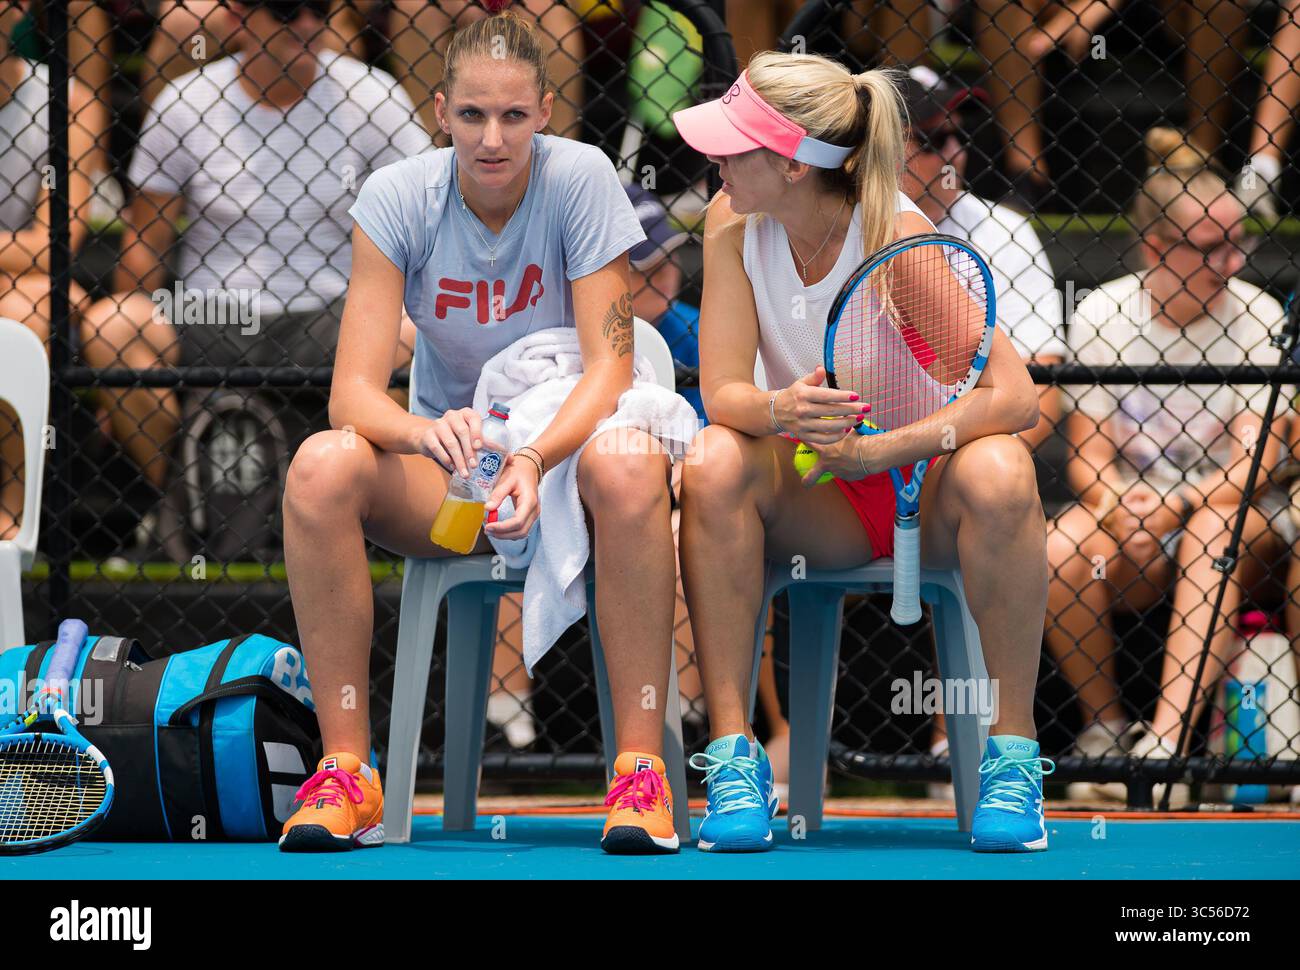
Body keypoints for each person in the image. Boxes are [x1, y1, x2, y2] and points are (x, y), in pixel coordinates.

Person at [278, 10, 685, 856]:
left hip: (569, 450)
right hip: (456, 475)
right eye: (471, 115)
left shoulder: (581, 180)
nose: (492, 138)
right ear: (439, 111)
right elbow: (351, 396)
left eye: (513, 116)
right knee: (321, 468)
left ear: (544, 111)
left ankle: (640, 772)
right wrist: (427, 433)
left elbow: (610, 370)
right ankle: (347, 771)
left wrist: (535, 454)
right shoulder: (395, 197)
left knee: (631, 470)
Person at [672, 52, 1052, 853]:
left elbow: (1014, 400)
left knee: (1005, 468)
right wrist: (781, 408)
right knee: (710, 457)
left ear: (791, 163)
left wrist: (888, 451)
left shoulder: (897, 238)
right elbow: (724, 394)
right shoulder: (729, 220)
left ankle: (1012, 756)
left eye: (734, 146)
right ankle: (736, 760)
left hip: (929, 490)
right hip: (819, 498)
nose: (715, 160)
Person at [80, 0, 429, 547]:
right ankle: (190, 502)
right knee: (112, 325)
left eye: (320, 9)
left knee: (416, 336)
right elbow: (145, 245)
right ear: (238, 21)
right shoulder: (187, 100)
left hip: (334, 313)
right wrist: (116, 389)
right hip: (215, 312)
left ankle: (359, 508)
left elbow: (423, 227)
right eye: (288, 11)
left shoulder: (372, 95)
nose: (308, 25)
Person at [1048, 129, 1295, 802]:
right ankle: (1103, 732)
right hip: (1136, 519)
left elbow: (1256, 469)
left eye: (1238, 241)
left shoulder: (1258, 316)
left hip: (1239, 523)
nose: (1234, 261)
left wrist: (1176, 504)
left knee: (1215, 526)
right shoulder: (1104, 312)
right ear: (1158, 249)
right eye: (1213, 248)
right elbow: (1089, 456)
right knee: (1063, 544)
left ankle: (1165, 750)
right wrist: (1115, 506)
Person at [898, 64, 1066, 795]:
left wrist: (963, 458)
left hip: (962, 456)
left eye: (957, 133)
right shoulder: (828, 229)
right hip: (854, 468)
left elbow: (1044, 396)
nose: (953, 152)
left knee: (990, 485)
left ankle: (987, 744)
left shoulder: (1005, 232)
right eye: (930, 139)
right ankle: (769, 743)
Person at [0, 0, 96, 540]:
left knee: (22, 309)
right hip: (17, 274)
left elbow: (56, 247)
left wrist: (29, 262)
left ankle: (16, 509)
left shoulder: (67, 101)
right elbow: (33, 247)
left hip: (26, 288)